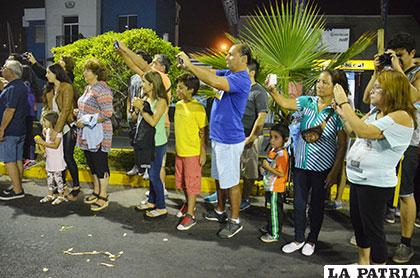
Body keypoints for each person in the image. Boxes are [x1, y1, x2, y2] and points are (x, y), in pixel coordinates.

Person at [335, 70, 415, 265]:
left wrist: (345, 103)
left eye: (378, 87)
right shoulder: (375, 112)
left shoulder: (401, 116)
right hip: (358, 179)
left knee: (373, 230)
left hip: (375, 183)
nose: (372, 91)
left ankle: (379, 267)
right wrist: (343, 115)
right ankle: (364, 264)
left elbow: (364, 131)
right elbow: (354, 131)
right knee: (360, 227)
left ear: (392, 91)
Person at [267, 70, 347, 256]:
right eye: (318, 81)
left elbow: (342, 144)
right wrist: (272, 90)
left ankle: (312, 240)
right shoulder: (307, 102)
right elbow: (285, 103)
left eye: (325, 82)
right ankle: (298, 238)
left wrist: (334, 172)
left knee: (317, 205)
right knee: (299, 204)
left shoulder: (338, 110)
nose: (319, 85)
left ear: (335, 86)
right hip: (301, 164)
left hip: (322, 168)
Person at [177, 44, 252, 238]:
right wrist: (188, 67)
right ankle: (220, 210)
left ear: (243, 59)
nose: (227, 57)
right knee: (220, 178)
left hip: (229, 139)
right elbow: (209, 72)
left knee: (232, 182)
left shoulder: (241, 79)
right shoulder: (228, 72)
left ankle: (235, 221)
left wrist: (190, 66)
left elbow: (214, 81)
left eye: (231, 54)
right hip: (219, 137)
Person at [362, 32, 420, 263]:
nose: (397, 59)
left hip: (409, 142)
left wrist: (399, 69)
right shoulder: (390, 74)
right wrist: (378, 71)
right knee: (378, 188)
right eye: (393, 56)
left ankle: (405, 243)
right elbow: (368, 98)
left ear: (412, 54)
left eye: (401, 56)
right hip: (384, 139)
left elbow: (414, 96)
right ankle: (371, 236)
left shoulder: (415, 75)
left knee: (405, 193)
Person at [116, 42, 171, 195]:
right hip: (150, 126)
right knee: (153, 164)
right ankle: (155, 192)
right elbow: (135, 68)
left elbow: (143, 66)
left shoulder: (163, 78)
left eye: (155, 62)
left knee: (158, 165)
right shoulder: (153, 80)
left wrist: (126, 48)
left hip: (159, 126)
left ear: (162, 68)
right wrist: (123, 54)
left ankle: (160, 192)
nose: (151, 64)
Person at [76, 59, 113, 212]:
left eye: (88, 70)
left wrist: (85, 119)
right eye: (85, 70)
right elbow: (89, 108)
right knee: (92, 163)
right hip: (88, 133)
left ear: (96, 73)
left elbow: (107, 113)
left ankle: (103, 196)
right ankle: (97, 191)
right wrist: (79, 113)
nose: (85, 73)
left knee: (100, 163)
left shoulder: (102, 89)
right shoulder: (88, 88)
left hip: (99, 133)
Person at [132, 71, 169, 218]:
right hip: (147, 141)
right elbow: (136, 118)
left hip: (157, 142)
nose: (142, 85)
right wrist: (136, 109)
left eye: (144, 82)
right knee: (151, 173)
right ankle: (152, 201)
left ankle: (161, 207)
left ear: (152, 85)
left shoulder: (161, 101)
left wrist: (142, 108)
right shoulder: (146, 97)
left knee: (154, 175)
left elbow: (153, 121)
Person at [174, 73, 208, 230]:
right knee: (183, 183)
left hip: (192, 154)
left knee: (192, 184)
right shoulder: (178, 105)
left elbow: (203, 132)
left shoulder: (199, 109)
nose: (178, 90)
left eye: (181, 88)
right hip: (180, 152)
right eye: (178, 87)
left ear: (191, 90)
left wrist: (202, 152)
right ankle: (188, 204)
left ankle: (190, 215)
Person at [43, 63, 80, 200]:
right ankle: (61, 187)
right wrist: (46, 126)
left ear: (56, 73)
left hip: (67, 127)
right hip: (54, 128)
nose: (46, 75)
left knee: (67, 157)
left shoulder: (67, 87)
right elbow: (48, 110)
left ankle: (76, 187)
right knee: (57, 157)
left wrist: (56, 130)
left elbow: (65, 110)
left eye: (48, 73)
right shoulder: (49, 89)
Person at [0, 60, 29, 200]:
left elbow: (10, 110)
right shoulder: (21, 86)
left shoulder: (12, 88)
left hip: (10, 130)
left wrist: (1, 128)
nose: (2, 70)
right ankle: (18, 186)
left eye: (4, 68)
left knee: (9, 160)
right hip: (20, 128)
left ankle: (17, 191)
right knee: (17, 159)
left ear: (10, 71)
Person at [259, 124, 289, 243]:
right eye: (271, 137)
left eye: (276, 137)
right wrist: (264, 168)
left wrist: (267, 167)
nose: (272, 140)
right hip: (270, 185)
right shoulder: (273, 150)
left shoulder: (282, 154)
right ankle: (271, 226)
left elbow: (281, 173)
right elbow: (269, 164)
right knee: (270, 209)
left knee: (274, 210)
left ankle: (274, 233)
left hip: (276, 188)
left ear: (285, 139)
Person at [126, 50, 153, 176]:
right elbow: (129, 95)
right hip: (133, 113)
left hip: (142, 112)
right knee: (135, 141)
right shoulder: (133, 78)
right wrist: (128, 111)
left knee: (144, 141)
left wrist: (139, 110)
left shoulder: (147, 77)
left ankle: (146, 168)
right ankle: (137, 166)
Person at [35, 111, 67, 205]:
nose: (43, 123)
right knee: (49, 177)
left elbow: (55, 146)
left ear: (52, 121)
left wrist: (42, 142)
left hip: (57, 160)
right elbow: (45, 135)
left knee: (58, 178)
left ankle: (61, 196)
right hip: (50, 159)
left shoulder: (58, 133)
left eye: (45, 121)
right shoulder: (48, 131)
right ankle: (50, 194)